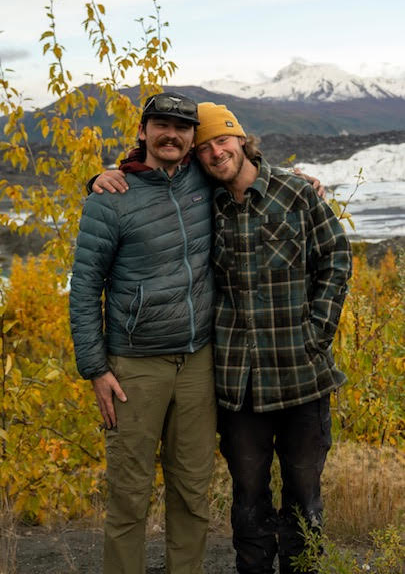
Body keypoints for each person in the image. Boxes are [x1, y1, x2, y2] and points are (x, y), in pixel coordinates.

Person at [89, 98, 343, 574]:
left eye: (221, 139)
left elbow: (335, 258)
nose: (213, 152)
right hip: (235, 380)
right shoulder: (199, 195)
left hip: (300, 372)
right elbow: (143, 186)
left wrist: (317, 331)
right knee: (245, 496)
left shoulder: (290, 192)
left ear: (241, 139)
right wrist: (100, 176)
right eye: (203, 146)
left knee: (300, 495)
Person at [69, 92, 217, 574]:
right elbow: (85, 288)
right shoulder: (110, 198)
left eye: (182, 126)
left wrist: (302, 181)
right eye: (162, 124)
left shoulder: (204, 177)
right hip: (134, 368)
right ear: (143, 129)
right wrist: (95, 369)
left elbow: (248, 169)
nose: (171, 134)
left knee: (193, 492)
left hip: (198, 364)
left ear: (194, 135)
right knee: (129, 498)